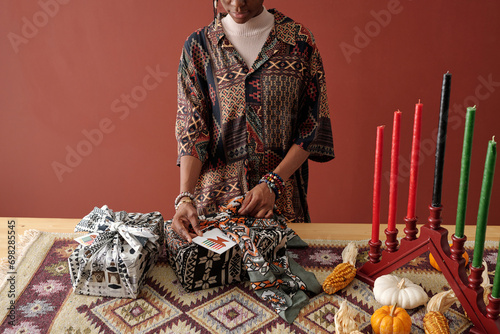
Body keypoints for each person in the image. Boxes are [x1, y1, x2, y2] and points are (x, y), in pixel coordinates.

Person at [172, 0, 334, 242]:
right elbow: (192, 129)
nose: (237, 3)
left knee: (289, 277)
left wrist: (273, 183)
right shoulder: (199, 46)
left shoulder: (300, 42)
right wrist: (185, 197)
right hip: (215, 215)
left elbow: (312, 125)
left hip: (281, 210)